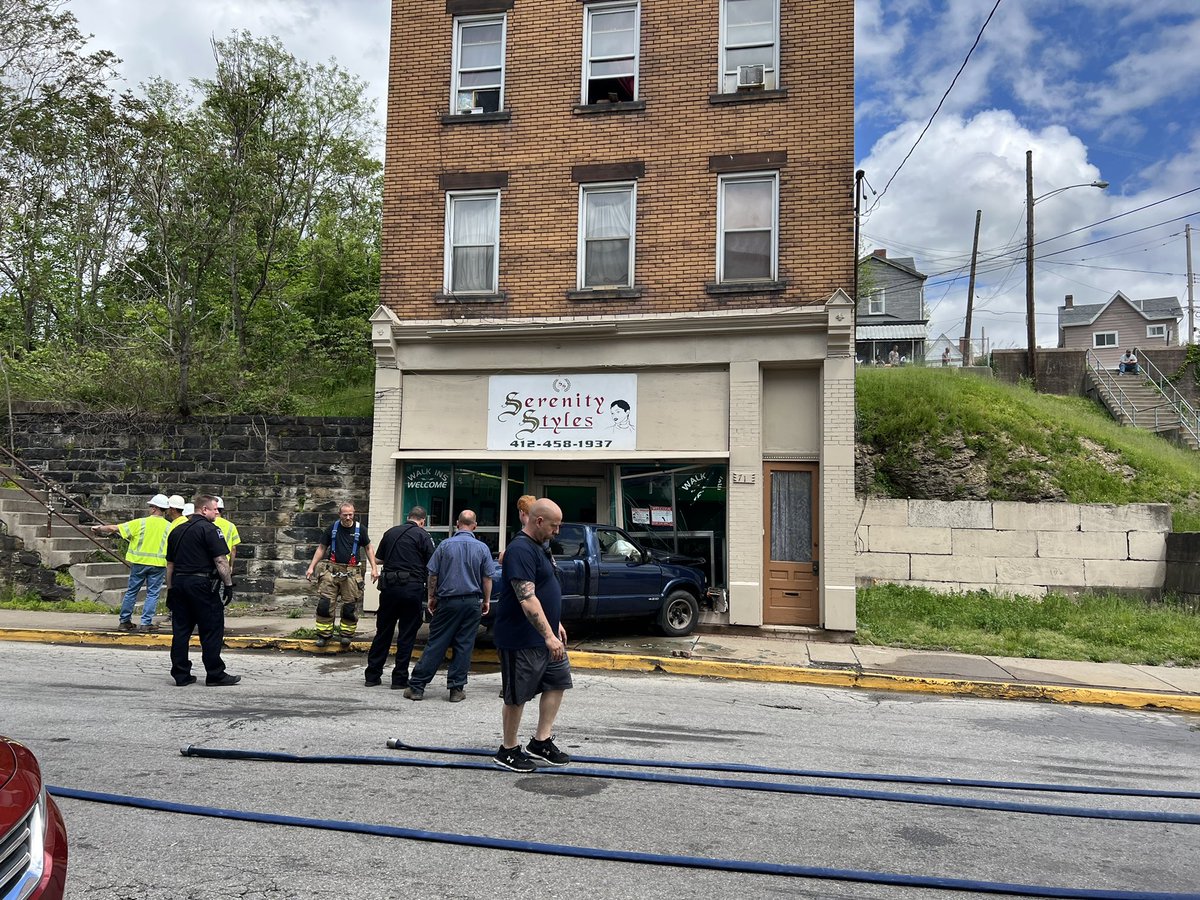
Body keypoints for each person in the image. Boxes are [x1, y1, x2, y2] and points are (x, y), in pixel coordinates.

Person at [491, 498, 572, 772]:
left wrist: (554, 624)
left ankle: (541, 741)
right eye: (554, 526)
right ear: (538, 521)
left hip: (546, 634)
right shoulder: (520, 550)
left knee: (557, 682)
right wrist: (549, 635)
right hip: (520, 638)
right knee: (517, 696)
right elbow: (527, 598)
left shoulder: (540, 547)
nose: (557, 531)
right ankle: (508, 749)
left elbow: (546, 588)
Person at [404, 509, 493, 703]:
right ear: (474, 526)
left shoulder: (445, 546)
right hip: (471, 602)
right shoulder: (482, 548)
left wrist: (431, 597)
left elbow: (433, 574)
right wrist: (486, 600)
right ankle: (456, 689)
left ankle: (417, 686)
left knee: (437, 643)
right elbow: (487, 578)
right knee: (464, 645)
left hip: (448, 601)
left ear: (456, 524)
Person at [164, 493, 239, 686]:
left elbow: (170, 565)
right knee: (212, 628)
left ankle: (181, 674)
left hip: (179, 584)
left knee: (181, 630)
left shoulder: (177, 531)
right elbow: (221, 560)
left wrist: (170, 590)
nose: (217, 512)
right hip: (202, 585)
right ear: (204, 509)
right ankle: (215, 674)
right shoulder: (210, 530)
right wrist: (228, 585)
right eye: (215, 509)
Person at [365, 506, 435, 688]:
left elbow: (378, 558)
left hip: (389, 589)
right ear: (422, 521)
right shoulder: (423, 535)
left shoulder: (390, 533)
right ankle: (399, 678)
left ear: (408, 517)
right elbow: (433, 564)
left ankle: (372, 676)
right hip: (412, 589)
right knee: (407, 634)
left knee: (384, 632)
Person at [92, 493, 171, 633]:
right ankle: (146, 623)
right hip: (158, 564)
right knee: (152, 594)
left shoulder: (140, 523)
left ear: (154, 509)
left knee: (132, 592)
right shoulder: (169, 527)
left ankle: (124, 621)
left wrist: (99, 528)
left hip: (139, 563)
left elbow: (114, 528)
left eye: (150, 506)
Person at [306, 502, 379, 648]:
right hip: (331, 571)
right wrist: (311, 567)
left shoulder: (360, 530)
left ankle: (346, 635)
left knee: (349, 607)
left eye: (350, 514)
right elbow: (321, 548)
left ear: (354, 513)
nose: (348, 517)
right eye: (345, 515)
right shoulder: (332, 529)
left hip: (351, 573)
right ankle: (323, 635)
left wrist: (374, 568)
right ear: (339, 514)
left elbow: (368, 548)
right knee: (325, 604)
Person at [213, 497, 242, 566]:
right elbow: (233, 548)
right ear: (222, 510)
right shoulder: (231, 526)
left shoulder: (205, 524)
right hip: (224, 562)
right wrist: (231, 566)